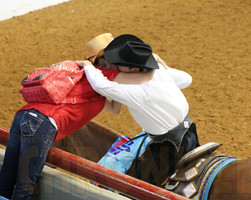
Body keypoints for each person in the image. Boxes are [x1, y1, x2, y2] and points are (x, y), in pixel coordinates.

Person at [0, 33, 152, 200]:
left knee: (6, 179)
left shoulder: (89, 78)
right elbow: (146, 75)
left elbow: (114, 108)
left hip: (23, 116)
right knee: (25, 185)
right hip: (42, 124)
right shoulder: (104, 74)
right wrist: (152, 60)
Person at [77, 34, 200, 186]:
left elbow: (100, 86)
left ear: (133, 68)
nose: (114, 66)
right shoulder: (158, 71)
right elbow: (187, 79)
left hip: (167, 149)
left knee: (135, 189)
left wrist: (88, 68)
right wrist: (161, 68)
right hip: (189, 133)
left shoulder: (137, 92)